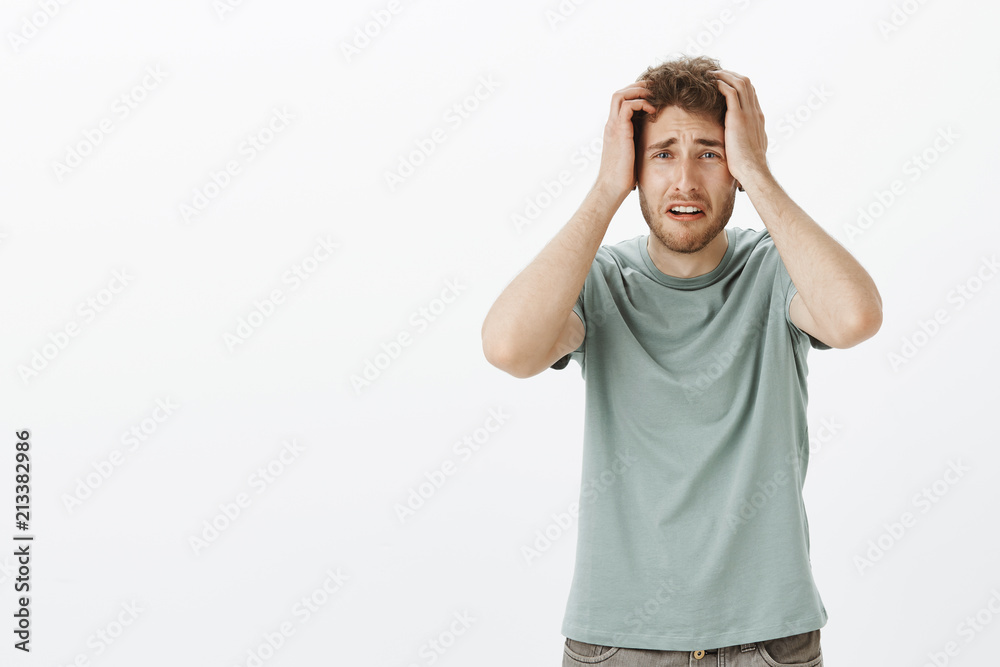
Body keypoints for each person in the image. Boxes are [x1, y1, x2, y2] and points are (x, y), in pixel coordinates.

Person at [481, 55, 881, 665]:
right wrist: (604, 188)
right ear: (636, 168)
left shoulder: (776, 271)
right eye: (663, 153)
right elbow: (509, 349)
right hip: (618, 643)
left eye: (711, 153)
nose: (686, 181)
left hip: (768, 642)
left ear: (737, 168)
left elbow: (855, 318)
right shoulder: (601, 279)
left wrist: (759, 172)